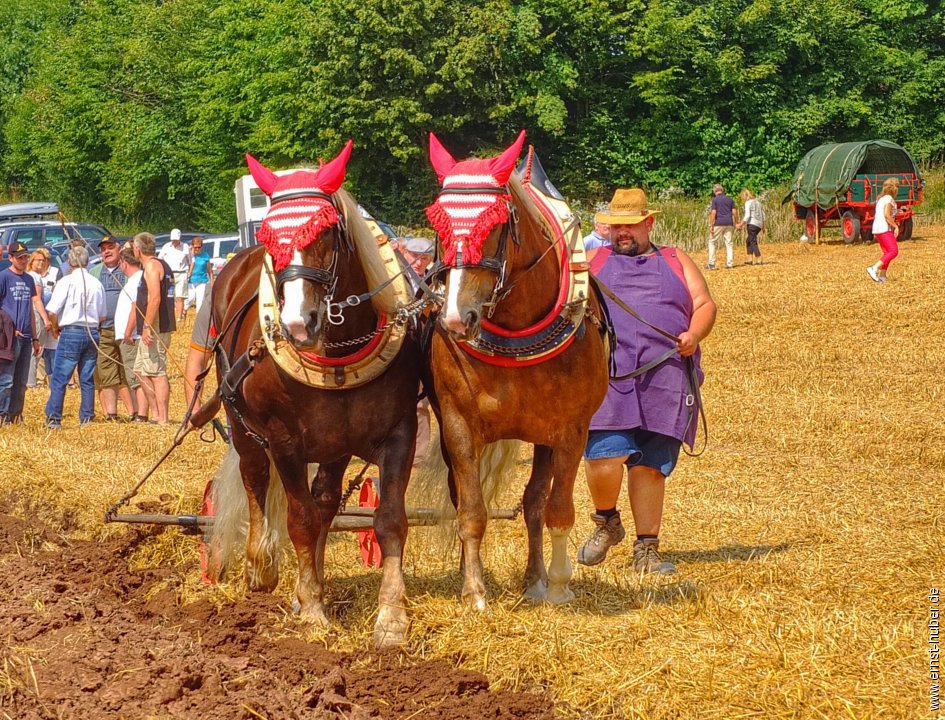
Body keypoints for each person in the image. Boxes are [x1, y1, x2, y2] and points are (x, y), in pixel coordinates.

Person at [577, 188, 717, 574]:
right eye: (618, 226)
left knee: (651, 466)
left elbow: (704, 303)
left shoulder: (675, 259)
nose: (623, 233)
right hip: (610, 375)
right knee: (603, 454)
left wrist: (694, 334)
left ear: (649, 223)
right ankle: (606, 521)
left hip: (667, 374)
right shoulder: (592, 260)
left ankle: (647, 549)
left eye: (631, 225)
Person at [44, 246, 105, 429]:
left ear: (69, 262)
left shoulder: (66, 282)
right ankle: (87, 418)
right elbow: (102, 315)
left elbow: (52, 310)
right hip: (92, 331)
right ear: (86, 262)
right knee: (86, 378)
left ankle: (54, 418)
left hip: (71, 330)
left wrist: (55, 328)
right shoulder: (96, 283)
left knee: (60, 377)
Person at [0, 242, 51, 424]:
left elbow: (30, 309)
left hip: (27, 336)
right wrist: (6, 330)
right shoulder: (4, 277)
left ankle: (15, 415)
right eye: (19, 257)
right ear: (11, 258)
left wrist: (35, 337)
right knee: (6, 379)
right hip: (9, 337)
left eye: (25, 257)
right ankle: (2, 414)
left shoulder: (29, 280)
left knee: (21, 381)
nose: (23, 260)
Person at [133, 232, 176, 424]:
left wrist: (147, 327)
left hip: (156, 325)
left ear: (137, 249)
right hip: (156, 324)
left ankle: (163, 419)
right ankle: (156, 413)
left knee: (157, 373)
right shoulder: (162, 264)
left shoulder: (151, 266)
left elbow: (155, 298)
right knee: (140, 371)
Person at [90, 236, 135, 420]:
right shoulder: (94, 272)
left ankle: (136, 412)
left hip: (126, 330)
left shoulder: (128, 271)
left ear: (119, 250)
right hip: (104, 329)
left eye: (110, 247)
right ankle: (111, 414)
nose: (106, 251)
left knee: (130, 371)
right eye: (103, 249)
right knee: (106, 372)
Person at [115, 246, 149, 422]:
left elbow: (136, 306)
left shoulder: (136, 280)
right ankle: (139, 413)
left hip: (131, 337)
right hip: (129, 336)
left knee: (136, 376)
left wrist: (128, 332)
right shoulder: (135, 280)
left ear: (124, 263)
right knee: (133, 375)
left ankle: (141, 414)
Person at [26, 249, 59, 387]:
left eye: (43, 260)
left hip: (29, 315)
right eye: (37, 260)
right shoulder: (35, 277)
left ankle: (29, 381)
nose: (41, 262)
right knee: (36, 349)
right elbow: (37, 300)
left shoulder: (27, 275)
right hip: (36, 315)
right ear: (31, 262)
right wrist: (46, 319)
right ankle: (31, 382)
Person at [867, 178, 901, 283]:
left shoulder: (881, 198)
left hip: (877, 228)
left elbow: (885, 212)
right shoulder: (889, 199)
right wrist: (896, 226)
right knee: (893, 251)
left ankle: (882, 276)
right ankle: (874, 268)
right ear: (895, 189)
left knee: (887, 253)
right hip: (884, 228)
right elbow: (887, 215)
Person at [158, 228, 190, 321]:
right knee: (169, 296)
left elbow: (190, 261)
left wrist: (189, 273)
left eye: (176, 240)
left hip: (181, 273)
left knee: (180, 297)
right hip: (169, 274)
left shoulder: (185, 247)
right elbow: (160, 259)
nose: (174, 241)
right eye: (173, 240)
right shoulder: (166, 247)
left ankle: (179, 317)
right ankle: (169, 316)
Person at [707, 183, 738, 270]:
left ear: (714, 191)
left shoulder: (715, 200)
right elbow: (734, 212)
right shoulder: (730, 199)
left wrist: (711, 225)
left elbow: (713, 212)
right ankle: (730, 264)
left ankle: (711, 264)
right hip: (729, 223)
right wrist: (737, 222)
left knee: (712, 242)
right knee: (729, 243)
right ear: (722, 190)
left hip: (718, 223)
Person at [735, 189, 764, 265]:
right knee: (748, 240)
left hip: (752, 224)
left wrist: (740, 224)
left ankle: (758, 258)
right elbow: (763, 215)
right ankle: (750, 259)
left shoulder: (748, 203)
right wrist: (763, 226)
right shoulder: (758, 202)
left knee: (752, 241)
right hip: (759, 224)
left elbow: (747, 216)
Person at [186, 236, 213, 314]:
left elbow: (210, 271)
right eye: (195, 247)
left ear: (201, 246)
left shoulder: (205, 256)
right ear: (192, 246)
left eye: (199, 247)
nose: (197, 249)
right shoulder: (190, 255)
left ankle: (198, 317)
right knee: (191, 298)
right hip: (191, 280)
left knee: (200, 301)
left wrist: (212, 282)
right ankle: (184, 311)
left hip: (202, 281)